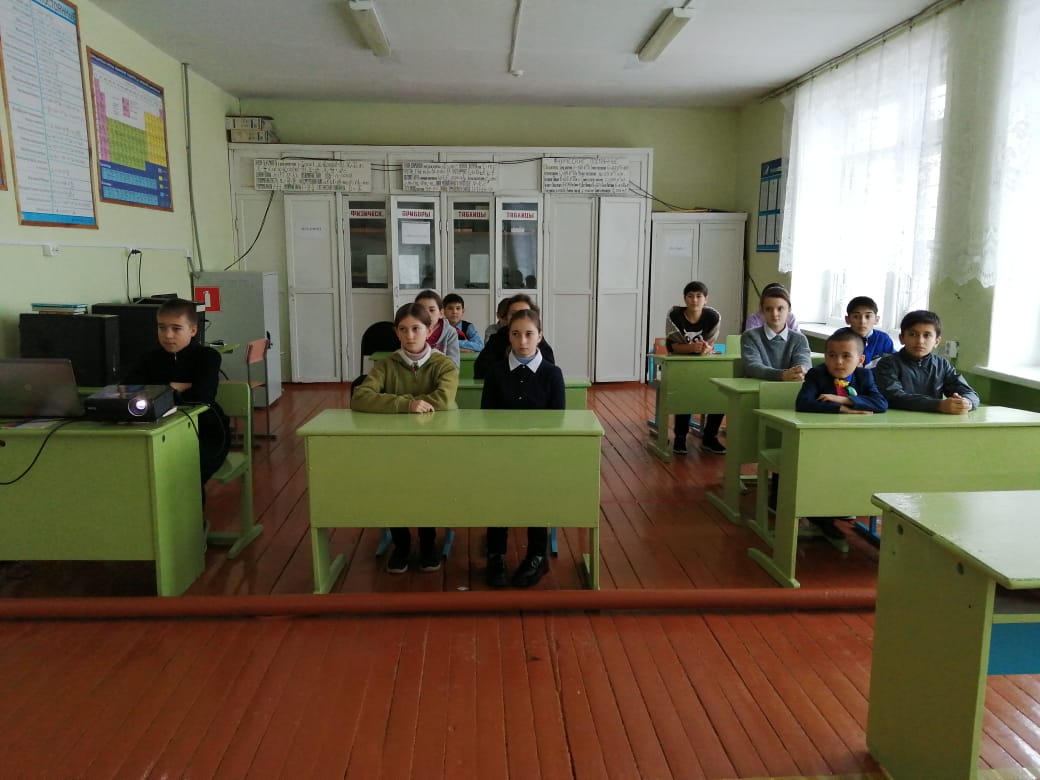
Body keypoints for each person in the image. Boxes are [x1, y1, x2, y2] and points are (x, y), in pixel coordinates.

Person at [351, 303, 460, 573]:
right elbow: (360, 397)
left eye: (416, 329)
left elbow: (443, 400)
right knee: (392, 489)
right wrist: (406, 405)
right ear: (396, 332)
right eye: (403, 329)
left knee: (427, 490)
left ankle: (427, 543)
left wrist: (389, 402)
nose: (410, 336)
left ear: (429, 330)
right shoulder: (386, 364)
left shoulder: (443, 365)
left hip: (434, 444)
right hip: (395, 444)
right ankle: (401, 544)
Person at [481, 308, 565, 588]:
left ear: (540, 336)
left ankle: (537, 556)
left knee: (537, 498)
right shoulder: (496, 372)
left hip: (538, 455)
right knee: (498, 500)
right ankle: (496, 555)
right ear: (509, 336)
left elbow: (557, 422)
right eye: (516, 334)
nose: (523, 341)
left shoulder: (552, 374)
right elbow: (487, 417)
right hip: (502, 452)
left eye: (529, 334)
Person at [123, 298, 230, 503]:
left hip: (206, 431)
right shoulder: (148, 359)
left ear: (193, 330)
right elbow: (128, 391)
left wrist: (160, 391)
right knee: (142, 470)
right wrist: (175, 387)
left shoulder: (207, 356)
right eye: (162, 327)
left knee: (187, 472)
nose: (168, 335)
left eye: (176, 328)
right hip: (159, 431)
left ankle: (192, 522)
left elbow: (203, 397)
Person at [794, 327, 888, 540]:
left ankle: (845, 504)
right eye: (832, 355)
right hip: (820, 442)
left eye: (846, 356)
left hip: (855, 442)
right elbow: (803, 403)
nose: (838, 362)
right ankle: (820, 517)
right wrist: (842, 410)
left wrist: (845, 399)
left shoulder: (864, 376)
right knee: (826, 469)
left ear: (860, 360)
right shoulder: (817, 374)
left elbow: (881, 403)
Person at [874, 310, 980, 413]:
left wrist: (966, 402)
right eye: (912, 334)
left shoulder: (942, 365)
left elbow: (970, 393)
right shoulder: (888, 363)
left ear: (937, 341)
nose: (920, 341)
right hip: (896, 421)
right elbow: (894, 397)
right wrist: (939, 405)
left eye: (927, 335)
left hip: (933, 422)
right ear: (902, 338)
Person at [664, 281, 726, 455]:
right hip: (680, 366)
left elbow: (710, 345)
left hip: (704, 366)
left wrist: (705, 348)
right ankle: (680, 437)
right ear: (685, 299)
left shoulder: (713, 317)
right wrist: (691, 348)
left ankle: (710, 437)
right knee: (686, 392)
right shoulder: (675, 315)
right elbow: (672, 346)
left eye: (699, 296)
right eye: (690, 296)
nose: (695, 300)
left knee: (721, 393)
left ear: (706, 299)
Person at [473, 294, 556, 379]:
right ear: (507, 317)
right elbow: (481, 370)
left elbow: (549, 371)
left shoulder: (538, 340)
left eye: (525, 313)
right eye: (514, 314)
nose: (520, 318)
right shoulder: (497, 338)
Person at [741, 286, 811, 381]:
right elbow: (752, 367)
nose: (774, 314)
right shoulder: (750, 336)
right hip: (755, 388)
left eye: (780, 309)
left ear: (789, 309)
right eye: (768, 309)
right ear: (762, 310)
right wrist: (782, 375)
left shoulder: (800, 339)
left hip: (791, 388)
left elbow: (804, 365)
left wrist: (800, 372)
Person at [845, 296, 895, 369]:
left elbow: (891, 366)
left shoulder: (884, 340)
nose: (862, 321)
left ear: (876, 319)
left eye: (868, 316)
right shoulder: (840, 337)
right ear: (847, 319)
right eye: (856, 316)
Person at [414, 289, 460, 368]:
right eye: (422, 310)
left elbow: (454, 366)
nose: (427, 314)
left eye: (431, 310)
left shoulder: (450, 332)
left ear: (441, 313)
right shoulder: (411, 331)